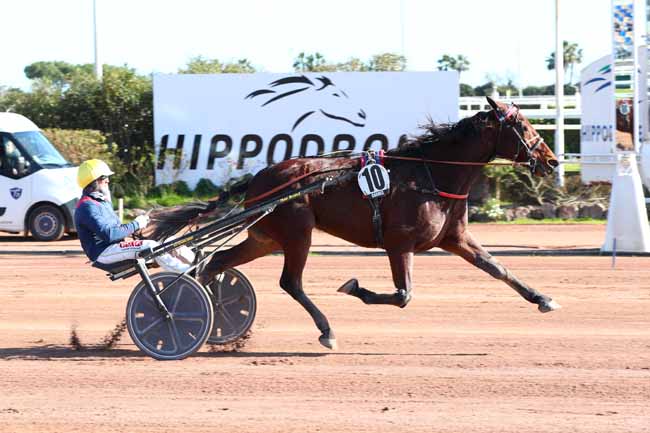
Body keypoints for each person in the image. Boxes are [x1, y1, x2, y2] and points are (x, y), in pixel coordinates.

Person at [74, 159, 193, 273]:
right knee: (150, 245)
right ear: (94, 181)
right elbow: (110, 234)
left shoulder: (101, 201)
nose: (108, 181)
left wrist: (137, 227)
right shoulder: (87, 206)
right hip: (103, 252)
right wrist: (136, 224)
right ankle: (185, 272)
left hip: (115, 246)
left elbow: (115, 229)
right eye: (105, 177)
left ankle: (195, 265)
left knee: (168, 240)